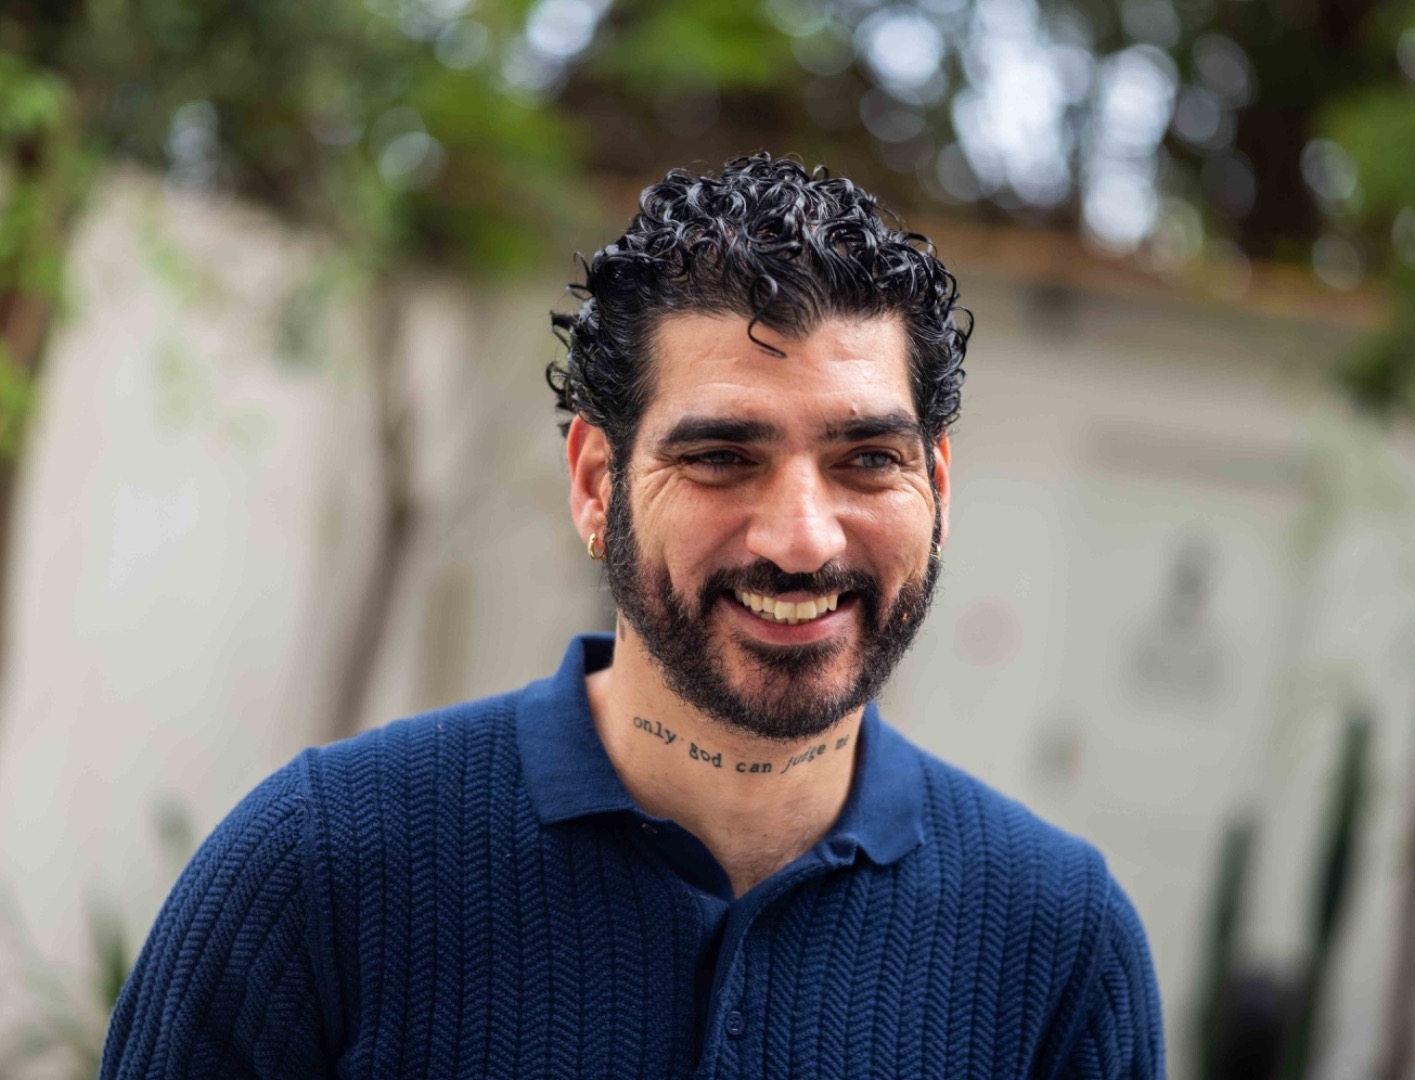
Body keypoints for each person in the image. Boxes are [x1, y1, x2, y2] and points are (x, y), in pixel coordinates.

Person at [100, 153, 1164, 1079]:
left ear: (936, 487)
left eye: (868, 459)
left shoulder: (1062, 947)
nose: (803, 539)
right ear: (595, 484)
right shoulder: (315, 872)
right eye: (722, 456)